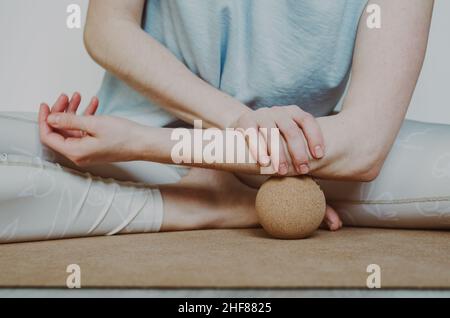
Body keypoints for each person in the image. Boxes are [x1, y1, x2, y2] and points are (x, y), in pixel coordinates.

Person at [1, 0, 446, 244]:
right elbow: (106, 25)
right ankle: (202, 203)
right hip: (136, 155)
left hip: (302, 164)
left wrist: (147, 142)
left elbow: (364, 146)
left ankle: (202, 203)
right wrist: (236, 120)